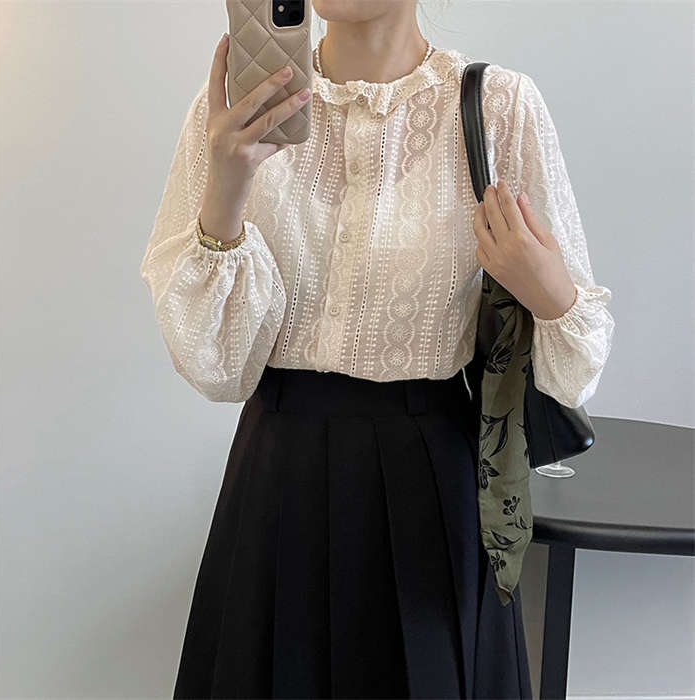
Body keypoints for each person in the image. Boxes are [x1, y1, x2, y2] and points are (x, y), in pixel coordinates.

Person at [140, 1, 615, 697]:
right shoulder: (237, 112)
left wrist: (549, 292)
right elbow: (217, 366)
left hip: (430, 482)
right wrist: (227, 190)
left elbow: (578, 364)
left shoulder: (497, 107)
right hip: (277, 478)